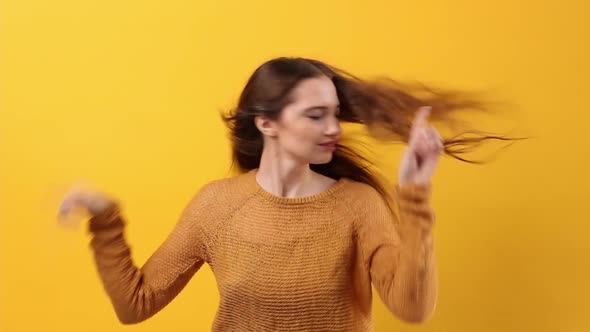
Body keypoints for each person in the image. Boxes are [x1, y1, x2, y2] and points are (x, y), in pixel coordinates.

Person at [59, 57, 509, 331]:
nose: (334, 128)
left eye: (334, 114)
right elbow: (135, 305)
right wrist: (105, 220)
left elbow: (412, 307)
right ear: (267, 123)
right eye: (315, 115)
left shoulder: (358, 206)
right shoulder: (216, 206)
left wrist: (415, 193)